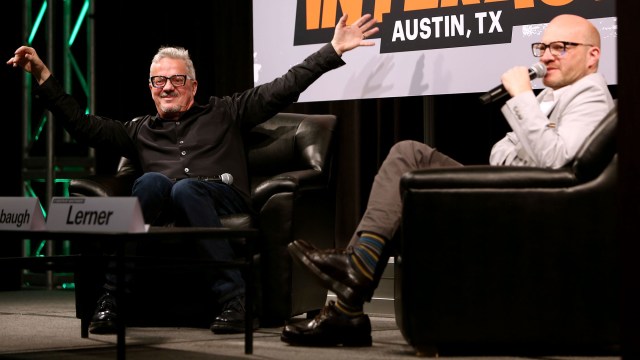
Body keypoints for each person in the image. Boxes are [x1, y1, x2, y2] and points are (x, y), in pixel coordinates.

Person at [8, 13, 378, 335]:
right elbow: (82, 125)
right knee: (152, 182)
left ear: (193, 85)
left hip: (221, 195)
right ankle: (112, 299)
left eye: (176, 80)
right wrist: (43, 75)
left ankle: (235, 300)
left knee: (187, 189)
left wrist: (332, 51)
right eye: (158, 81)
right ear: (150, 88)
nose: (167, 87)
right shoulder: (138, 130)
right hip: (164, 204)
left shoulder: (227, 111)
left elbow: (285, 86)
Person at [280, 14, 615, 347]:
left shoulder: (590, 97)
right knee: (408, 154)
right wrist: (532, 132)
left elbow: (554, 162)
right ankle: (354, 282)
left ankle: (350, 295)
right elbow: (500, 152)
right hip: (516, 192)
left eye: (560, 47)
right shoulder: (550, 99)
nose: (545, 56)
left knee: (408, 156)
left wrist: (522, 99)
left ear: (592, 55)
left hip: (529, 209)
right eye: (542, 47)